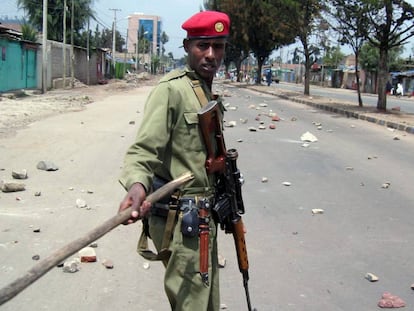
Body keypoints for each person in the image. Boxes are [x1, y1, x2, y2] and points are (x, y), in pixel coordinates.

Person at [118, 10, 230, 311]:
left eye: (218, 47)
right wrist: (137, 186)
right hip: (184, 221)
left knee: (205, 300)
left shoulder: (204, 91)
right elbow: (143, 150)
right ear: (187, 47)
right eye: (202, 46)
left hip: (203, 219)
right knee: (192, 304)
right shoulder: (171, 90)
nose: (210, 55)